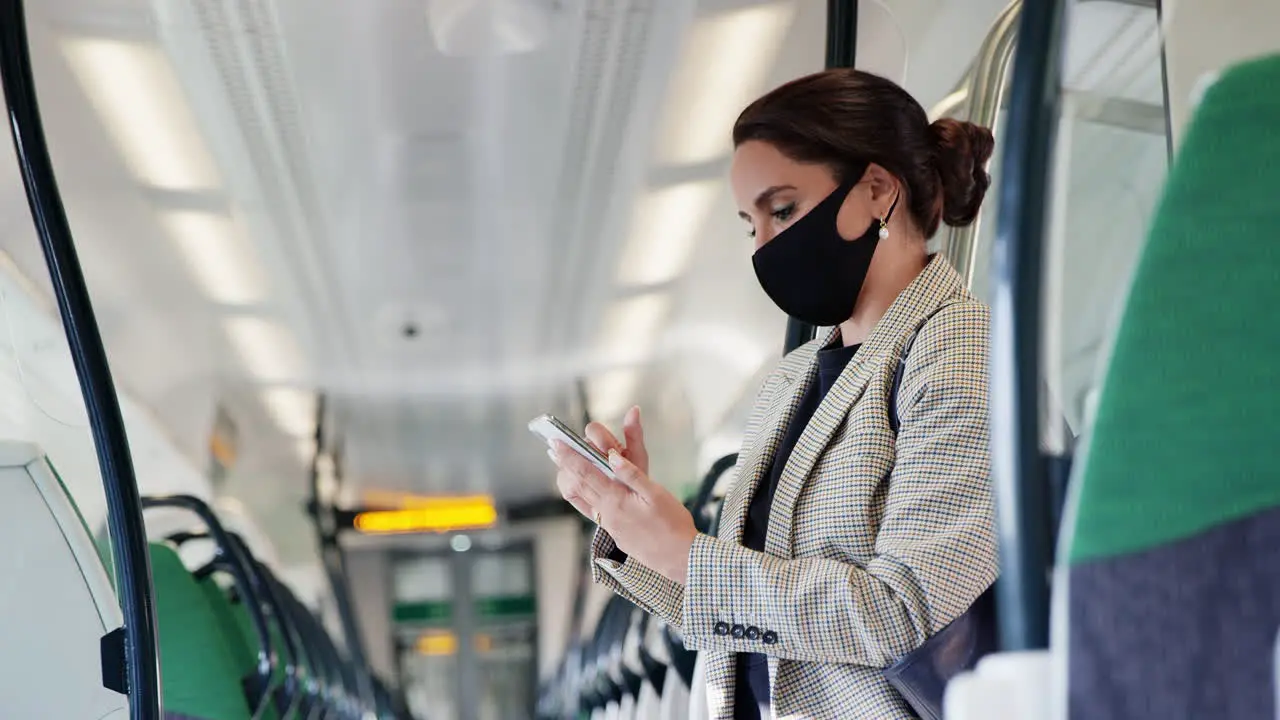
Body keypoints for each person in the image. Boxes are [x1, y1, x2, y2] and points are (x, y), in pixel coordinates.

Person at [551, 68, 998, 720]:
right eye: (748, 224)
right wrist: (635, 528)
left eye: (782, 210)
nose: (763, 245)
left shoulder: (959, 350)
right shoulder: (791, 380)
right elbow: (748, 628)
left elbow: (906, 614)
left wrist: (687, 554)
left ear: (877, 190)